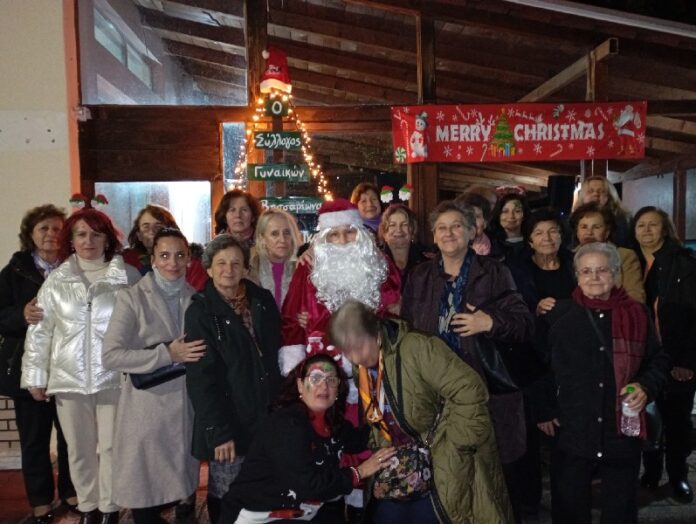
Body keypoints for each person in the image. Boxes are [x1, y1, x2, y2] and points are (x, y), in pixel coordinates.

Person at [401, 200, 533, 522]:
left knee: (492, 482)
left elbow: (524, 324)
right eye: (442, 228)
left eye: (457, 226)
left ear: (472, 232)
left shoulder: (495, 272)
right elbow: (406, 332)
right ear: (433, 236)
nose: (449, 233)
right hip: (437, 395)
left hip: (485, 391)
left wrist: (489, 322)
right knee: (447, 480)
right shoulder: (419, 275)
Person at [329, 300, 514, 523]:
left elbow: (470, 390)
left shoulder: (416, 347)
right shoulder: (363, 366)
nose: (355, 358)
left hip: (441, 457)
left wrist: (457, 446)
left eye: (359, 347)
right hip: (400, 466)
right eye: (347, 351)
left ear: (375, 332)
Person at [22, 207, 141, 524]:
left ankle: (110, 508)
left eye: (96, 234)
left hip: (114, 377)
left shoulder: (128, 278)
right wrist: (35, 376)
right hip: (69, 380)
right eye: (81, 234)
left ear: (108, 240)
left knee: (113, 448)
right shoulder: (56, 281)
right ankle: (88, 507)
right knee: (79, 450)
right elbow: (40, 332)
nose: (88, 240)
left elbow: (142, 327)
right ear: (71, 240)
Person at [539, 242, 669, 523]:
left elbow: (658, 361)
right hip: (573, 428)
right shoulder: (558, 315)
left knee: (620, 509)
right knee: (569, 507)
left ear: (616, 273)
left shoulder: (637, 314)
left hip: (621, 429)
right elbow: (540, 369)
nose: (594, 277)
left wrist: (645, 386)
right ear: (577, 276)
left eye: (602, 270)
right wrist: (545, 411)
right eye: (586, 271)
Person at [102, 228, 204, 523]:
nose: (173, 262)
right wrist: (166, 355)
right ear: (154, 259)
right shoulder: (131, 298)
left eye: (180, 255)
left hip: (183, 408)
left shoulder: (195, 298)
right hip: (145, 410)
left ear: (188, 259)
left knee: (174, 485)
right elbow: (111, 356)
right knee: (144, 492)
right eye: (165, 255)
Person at [221, 353, 394, 523]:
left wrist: (394, 426)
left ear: (338, 389)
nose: (324, 386)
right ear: (300, 386)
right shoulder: (287, 424)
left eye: (331, 380)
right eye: (315, 378)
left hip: (300, 513)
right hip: (256, 515)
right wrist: (360, 471)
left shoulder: (332, 422)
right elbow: (309, 486)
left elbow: (359, 440)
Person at [184, 234, 282, 523]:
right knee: (228, 496)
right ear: (209, 269)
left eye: (236, 263)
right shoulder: (201, 310)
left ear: (245, 268)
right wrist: (219, 432)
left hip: (265, 416)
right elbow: (202, 379)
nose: (229, 269)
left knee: (263, 491)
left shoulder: (261, 300)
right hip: (229, 421)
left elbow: (275, 351)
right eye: (221, 263)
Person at [0, 204, 77, 523]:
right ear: (30, 234)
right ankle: (41, 502)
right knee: (34, 440)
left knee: (71, 436)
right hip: (27, 368)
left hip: (69, 367)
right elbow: (1, 316)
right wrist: (21, 315)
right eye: (44, 228)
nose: (51, 234)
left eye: (57, 228)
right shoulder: (14, 271)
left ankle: (72, 493)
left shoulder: (75, 268)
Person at [631, 206, 696, 502]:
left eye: (653, 225)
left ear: (665, 229)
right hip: (644, 356)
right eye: (641, 225)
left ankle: (678, 475)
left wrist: (687, 361)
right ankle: (652, 472)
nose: (646, 230)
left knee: (677, 420)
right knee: (648, 416)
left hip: (677, 354)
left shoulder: (684, 263)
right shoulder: (630, 261)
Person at [569, 203, 645, 303]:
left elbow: (635, 297)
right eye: (584, 227)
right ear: (577, 232)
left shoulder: (624, 256)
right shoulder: (568, 257)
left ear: (607, 232)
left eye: (596, 227)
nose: (589, 232)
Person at [122, 204, 207, 290]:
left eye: (158, 227)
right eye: (146, 227)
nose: (152, 231)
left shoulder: (192, 263)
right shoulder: (127, 261)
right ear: (139, 235)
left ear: (170, 230)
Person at [249, 208, 302, 308]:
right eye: (275, 234)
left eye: (287, 233)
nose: (282, 239)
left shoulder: (301, 268)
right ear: (262, 238)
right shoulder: (250, 268)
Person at [377, 204, 431, 289]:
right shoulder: (375, 263)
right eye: (392, 225)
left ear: (412, 230)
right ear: (384, 233)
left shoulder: (427, 264)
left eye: (404, 224)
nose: (399, 230)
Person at [572, 176, 632, 247]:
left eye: (601, 191)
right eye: (590, 191)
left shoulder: (621, 219)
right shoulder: (573, 219)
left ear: (609, 196)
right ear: (582, 196)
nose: (595, 194)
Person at [486, 191, 531, 261]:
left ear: (524, 215)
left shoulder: (532, 243)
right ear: (498, 215)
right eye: (505, 211)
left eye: (517, 211)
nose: (511, 216)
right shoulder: (488, 243)